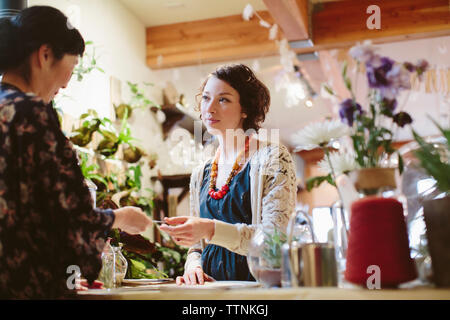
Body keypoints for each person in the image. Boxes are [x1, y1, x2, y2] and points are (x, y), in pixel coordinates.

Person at [0, 6, 152, 299]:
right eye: (70, 68)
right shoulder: (32, 113)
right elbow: (67, 216)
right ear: (45, 55)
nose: (67, 83)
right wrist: (119, 217)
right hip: (27, 285)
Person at [160, 64, 297, 285]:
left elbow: (274, 240)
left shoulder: (273, 157)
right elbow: (196, 247)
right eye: (206, 98)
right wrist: (193, 266)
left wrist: (210, 229)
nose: (210, 108)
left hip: (257, 289)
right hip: (211, 290)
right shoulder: (200, 173)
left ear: (246, 109)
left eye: (223, 99)